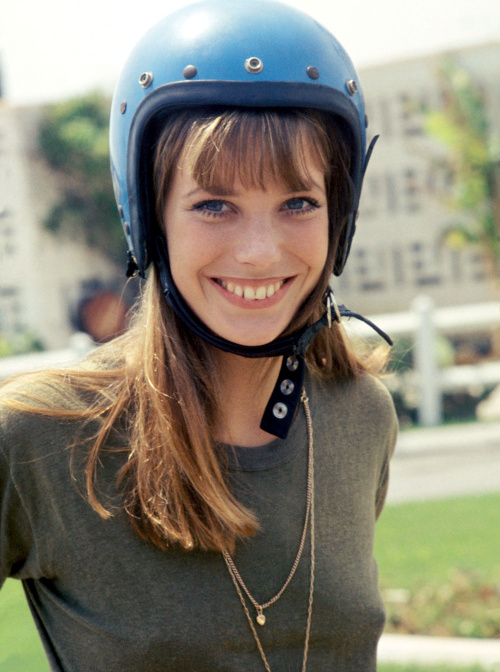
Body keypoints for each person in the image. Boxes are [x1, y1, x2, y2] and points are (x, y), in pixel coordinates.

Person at [0, 1, 398, 670]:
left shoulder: (360, 416)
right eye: (214, 205)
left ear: (341, 216)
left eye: (298, 202)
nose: (259, 252)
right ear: (150, 218)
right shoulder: (38, 435)